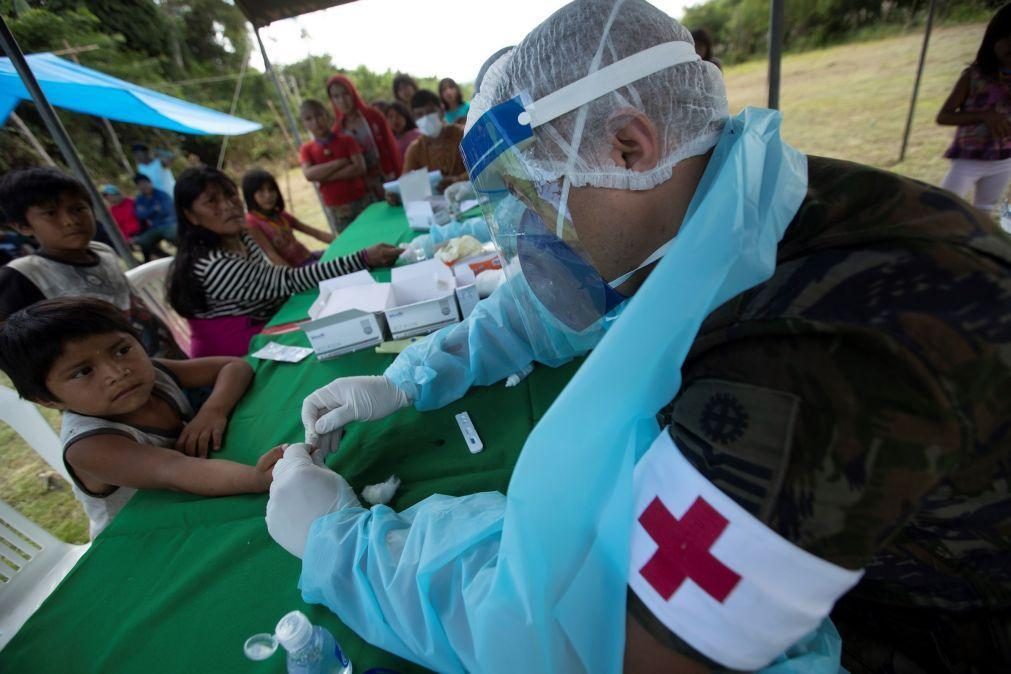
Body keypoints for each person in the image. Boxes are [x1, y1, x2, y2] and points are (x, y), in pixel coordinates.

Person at [267, 1, 1011, 673]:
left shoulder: (808, 369)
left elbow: (597, 646)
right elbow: (550, 307)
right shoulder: (751, 199)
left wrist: (349, 547)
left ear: (629, 145)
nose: (532, 232)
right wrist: (409, 375)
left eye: (540, 191)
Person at [0, 298, 282, 538]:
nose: (117, 372)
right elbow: (176, 471)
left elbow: (234, 366)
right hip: (143, 537)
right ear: (47, 400)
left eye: (122, 350)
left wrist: (212, 410)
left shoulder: (152, 375)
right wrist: (257, 479)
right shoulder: (89, 446)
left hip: (194, 502)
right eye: (83, 372)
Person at [166, 166, 400, 358]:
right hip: (234, 357)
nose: (228, 205)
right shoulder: (214, 264)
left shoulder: (240, 236)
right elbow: (287, 279)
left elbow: (276, 281)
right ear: (191, 215)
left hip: (264, 320)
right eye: (212, 202)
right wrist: (363, 258)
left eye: (229, 195)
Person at [0, 167, 181, 358]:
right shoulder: (23, 275)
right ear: (23, 226)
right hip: (119, 379)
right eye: (51, 213)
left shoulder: (102, 252)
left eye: (77, 209)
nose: (70, 220)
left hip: (165, 357)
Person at [937, 3, 1011, 215]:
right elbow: (943, 116)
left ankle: (975, 246)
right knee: (944, 207)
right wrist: (984, 116)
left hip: (1004, 160)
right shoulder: (973, 76)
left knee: (985, 212)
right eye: (1006, 36)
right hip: (968, 159)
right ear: (991, 38)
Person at [298, 99, 372, 233]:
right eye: (309, 119)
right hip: (336, 207)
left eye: (319, 115)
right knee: (350, 245)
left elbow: (359, 168)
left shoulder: (347, 140)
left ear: (327, 116)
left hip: (360, 198)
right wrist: (339, 163)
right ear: (304, 123)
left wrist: (324, 176)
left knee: (372, 232)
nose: (315, 122)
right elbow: (309, 174)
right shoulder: (306, 149)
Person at [327, 74, 402, 199]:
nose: (342, 100)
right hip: (362, 190)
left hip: (387, 177)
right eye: (336, 96)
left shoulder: (373, 117)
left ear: (353, 93)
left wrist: (399, 176)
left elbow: (391, 147)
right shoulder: (337, 131)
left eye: (345, 93)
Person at [242, 168, 333, 267]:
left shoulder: (280, 215)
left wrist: (341, 242)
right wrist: (292, 278)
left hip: (309, 257)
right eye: (261, 192)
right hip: (297, 271)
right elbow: (271, 255)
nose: (268, 195)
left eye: (271, 190)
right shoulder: (251, 222)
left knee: (341, 256)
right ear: (250, 195)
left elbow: (316, 233)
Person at [402, 89, 468, 190]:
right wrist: (396, 194)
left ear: (441, 110)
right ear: (414, 118)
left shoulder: (463, 134)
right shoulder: (415, 149)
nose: (426, 118)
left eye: (430, 112)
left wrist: (458, 180)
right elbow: (406, 184)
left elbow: (483, 167)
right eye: (419, 114)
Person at [133, 172, 178, 259]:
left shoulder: (162, 195)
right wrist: (154, 209)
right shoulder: (140, 199)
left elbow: (167, 210)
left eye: (145, 183)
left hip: (169, 224)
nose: (143, 186)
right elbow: (140, 215)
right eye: (140, 184)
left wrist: (148, 212)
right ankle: (164, 258)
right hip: (154, 227)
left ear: (150, 183)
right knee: (143, 241)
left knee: (173, 234)